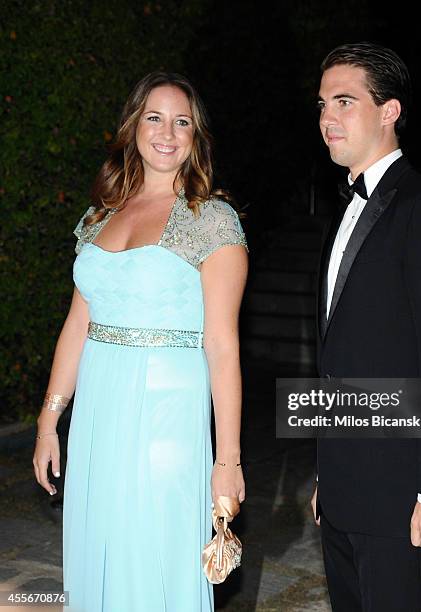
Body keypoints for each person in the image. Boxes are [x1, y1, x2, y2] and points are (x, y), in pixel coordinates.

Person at [32, 71, 248, 611]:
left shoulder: (212, 220)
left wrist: (229, 459)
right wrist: (48, 417)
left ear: (196, 137)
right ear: (133, 126)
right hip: (99, 416)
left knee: (154, 549)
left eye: (183, 122)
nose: (168, 132)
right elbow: (79, 323)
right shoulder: (100, 214)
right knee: (101, 542)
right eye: (155, 117)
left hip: (166, 416)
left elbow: (223, 347)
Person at [310, 42, 421, 611]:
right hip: (345, 490)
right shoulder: (347, 211)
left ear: (390, 111)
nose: (327, 117)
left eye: (344, 101)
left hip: (406, 496)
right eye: (322, 104)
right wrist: (325, 477)